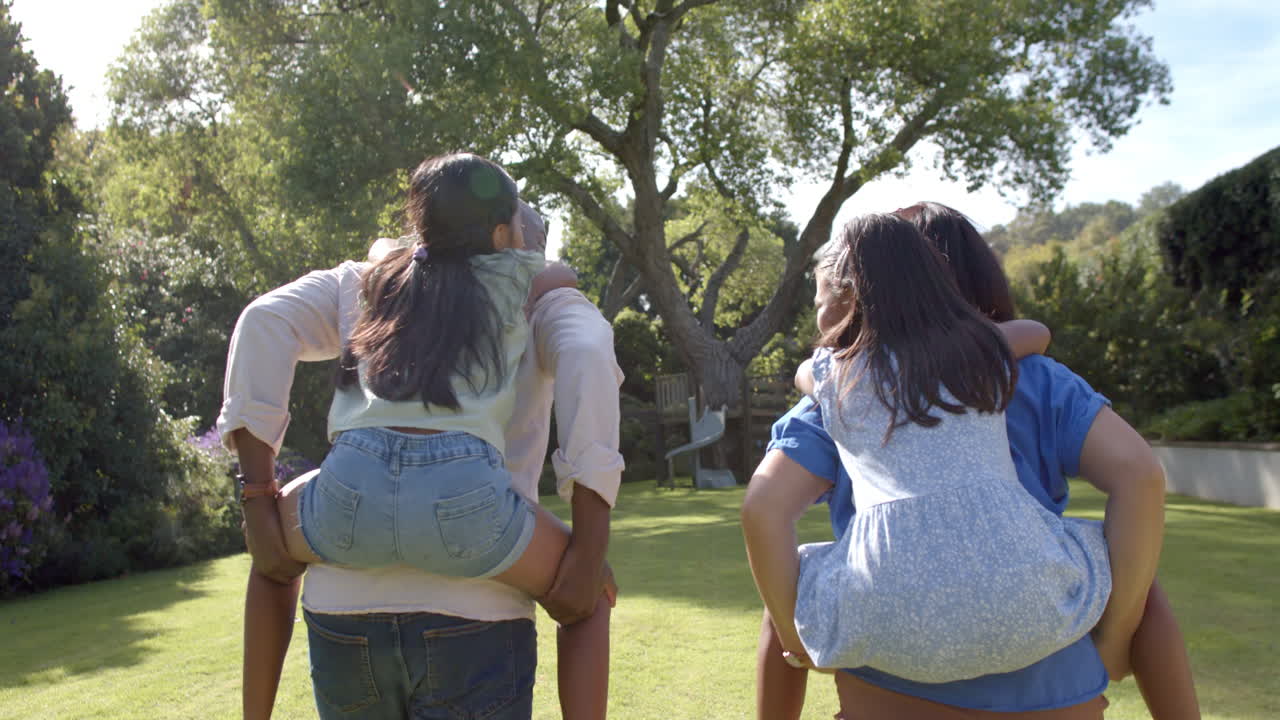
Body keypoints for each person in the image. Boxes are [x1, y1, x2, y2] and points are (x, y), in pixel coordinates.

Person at [745, 202, 1199, 718]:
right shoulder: (1027, 376)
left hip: (889, 679)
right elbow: (1140, 476)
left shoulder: (843, 392)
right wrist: (1116, 633)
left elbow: (765, 509)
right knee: (1132, 569)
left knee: (792, 580)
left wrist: (794, 634)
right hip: (1054, 667)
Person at [220, 154, 623, 719]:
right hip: (474, 546)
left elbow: (263, 319)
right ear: (506, 234)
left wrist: (257, 496)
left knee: (271, 553)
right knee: (589, 590)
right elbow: (584, 348)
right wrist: (588, 547)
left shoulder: (375, 279)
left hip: (349, 514)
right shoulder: (525, 281)